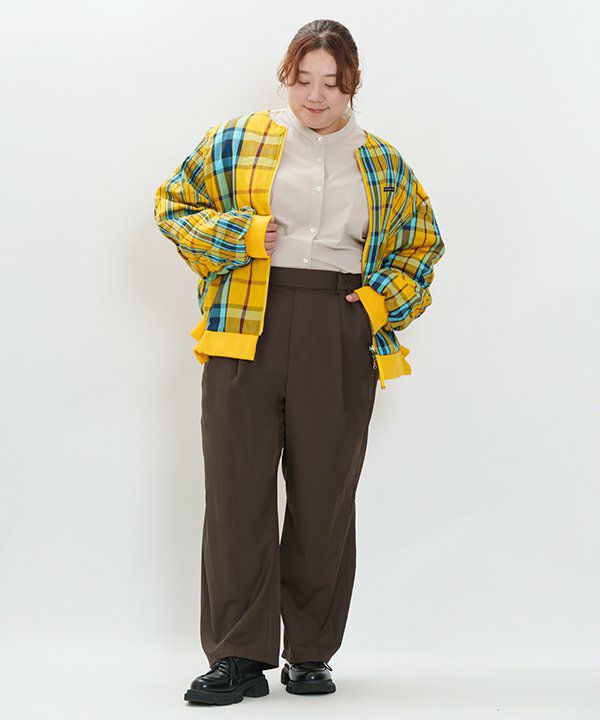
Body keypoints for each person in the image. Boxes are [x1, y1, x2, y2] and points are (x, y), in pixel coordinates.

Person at [154, 18, 445, 706]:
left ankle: (311, 651)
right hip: (243, 327)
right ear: (285, 77)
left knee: (324, 494)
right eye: (303, 79)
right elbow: (173, 206)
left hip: (338, 324)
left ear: (352, 86)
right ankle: (237, 655)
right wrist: (243, 234)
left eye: (332, 83)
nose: (316, 96)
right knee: (236, 493)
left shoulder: (382, 163)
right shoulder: (236, 140)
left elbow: (422, 246)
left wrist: (374, 307)